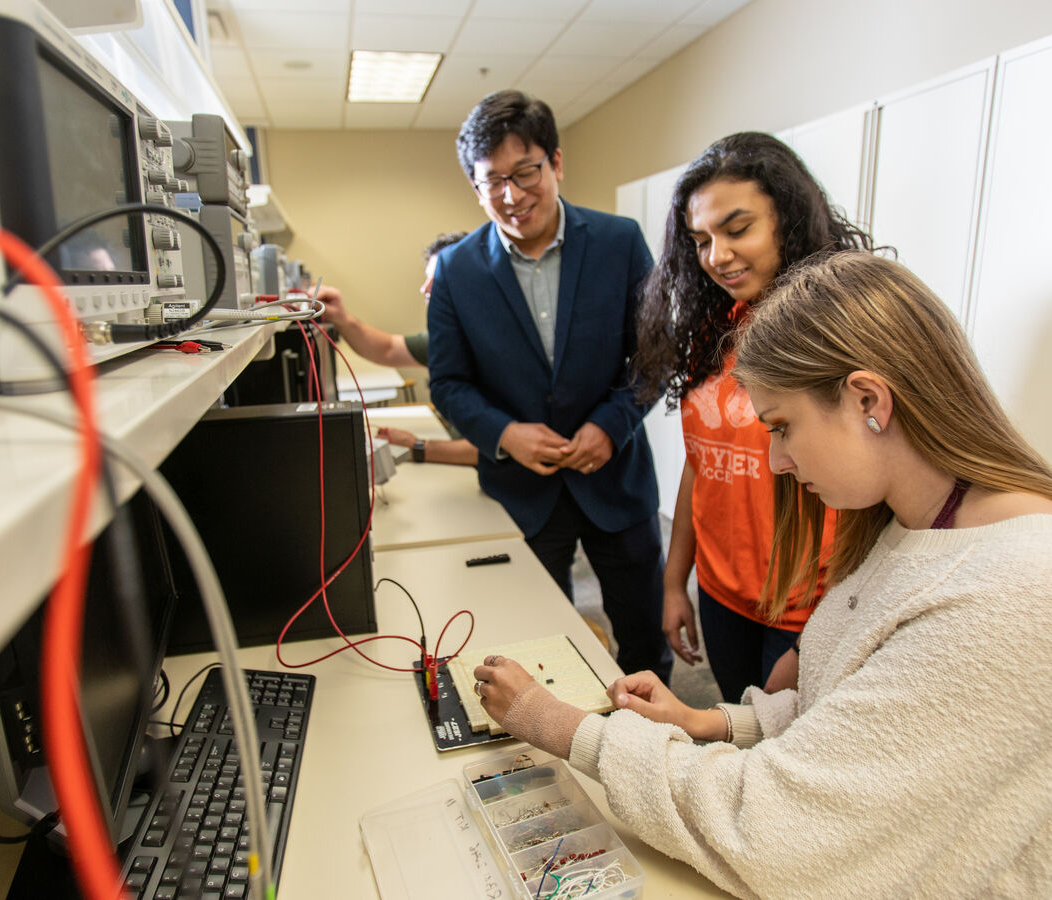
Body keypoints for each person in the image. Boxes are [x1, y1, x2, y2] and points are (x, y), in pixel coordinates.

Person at [472, 251, 1052, 898]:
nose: (776, 461)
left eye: (783, 427)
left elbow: (776, 832)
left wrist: (560, 726)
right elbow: (862, 715)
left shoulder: (1032, 590)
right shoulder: (924, 524)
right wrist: (710, 723)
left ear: (867, 401)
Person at [428, 90, 671, 681]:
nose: (512, 196)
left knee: (644, 642)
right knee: (536, 651)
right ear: (475, 188)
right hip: (522, 492)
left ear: (556, 163)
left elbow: (653, 358)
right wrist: (505, 434)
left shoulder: (619, 242)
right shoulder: (457, 270)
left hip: (615, 481)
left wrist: (610, 427)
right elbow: (448, 384)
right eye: (493, 182)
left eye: (526, 172)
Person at [634, 132, 876, 701]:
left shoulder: (840, 331)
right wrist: (676, 585)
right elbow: (701, 467)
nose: (717, 255)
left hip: (807, 604)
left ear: (788, 221)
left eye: (738, 229)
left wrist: (836, 615)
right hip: (721, 592)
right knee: (740, 732)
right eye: (700, 240)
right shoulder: (714, 331)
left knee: (787, 753)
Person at [317, 232, 479, 467]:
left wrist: (417, 447)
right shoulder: (451, 340)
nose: (424, 289)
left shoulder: (502, 348)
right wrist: (341, 318)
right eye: (427, 279)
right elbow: (387, 349)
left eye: (439, 279)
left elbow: (500, 448)